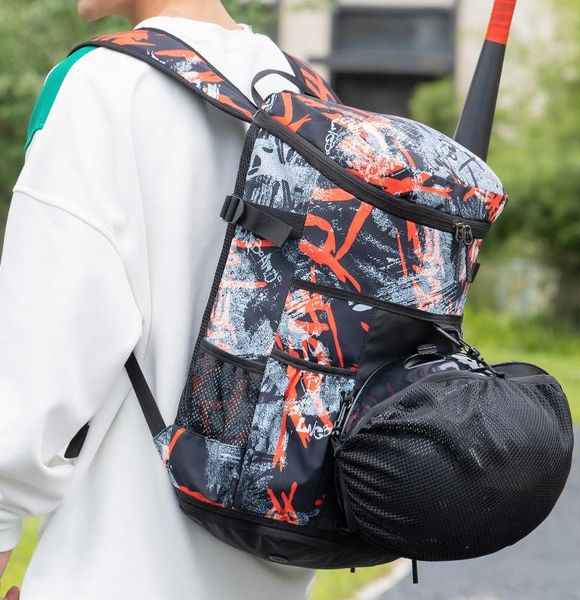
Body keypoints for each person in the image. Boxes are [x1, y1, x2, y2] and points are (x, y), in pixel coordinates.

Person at [0, 1, 316, 598]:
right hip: (269, 569)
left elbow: (38, 366)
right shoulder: (306, 93)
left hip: (114, 573)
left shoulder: (100, 83)